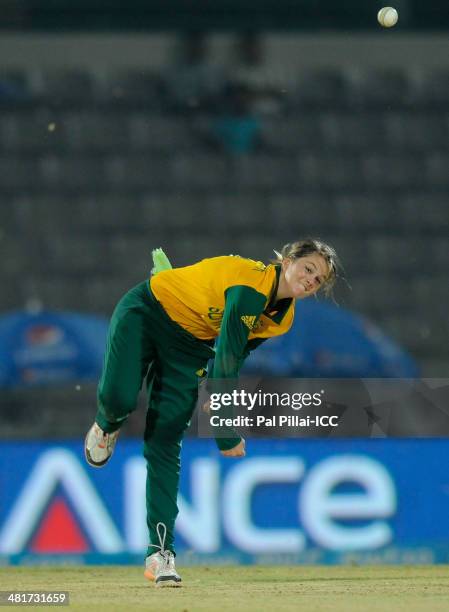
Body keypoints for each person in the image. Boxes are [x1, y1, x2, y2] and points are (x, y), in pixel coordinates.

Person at [84, 239, 340, 587]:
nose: (311, 280)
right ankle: (107, 424)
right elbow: (228, 355)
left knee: (166, 439)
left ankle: (160, 555)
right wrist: (224, 426)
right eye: (308, 268)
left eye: (319, 280)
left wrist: (216, 390)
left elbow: (236, 351)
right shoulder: (250, 286)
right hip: (147, 310)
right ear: (288, 259)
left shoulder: (284, 319)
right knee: (119, 398)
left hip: (190, 348)